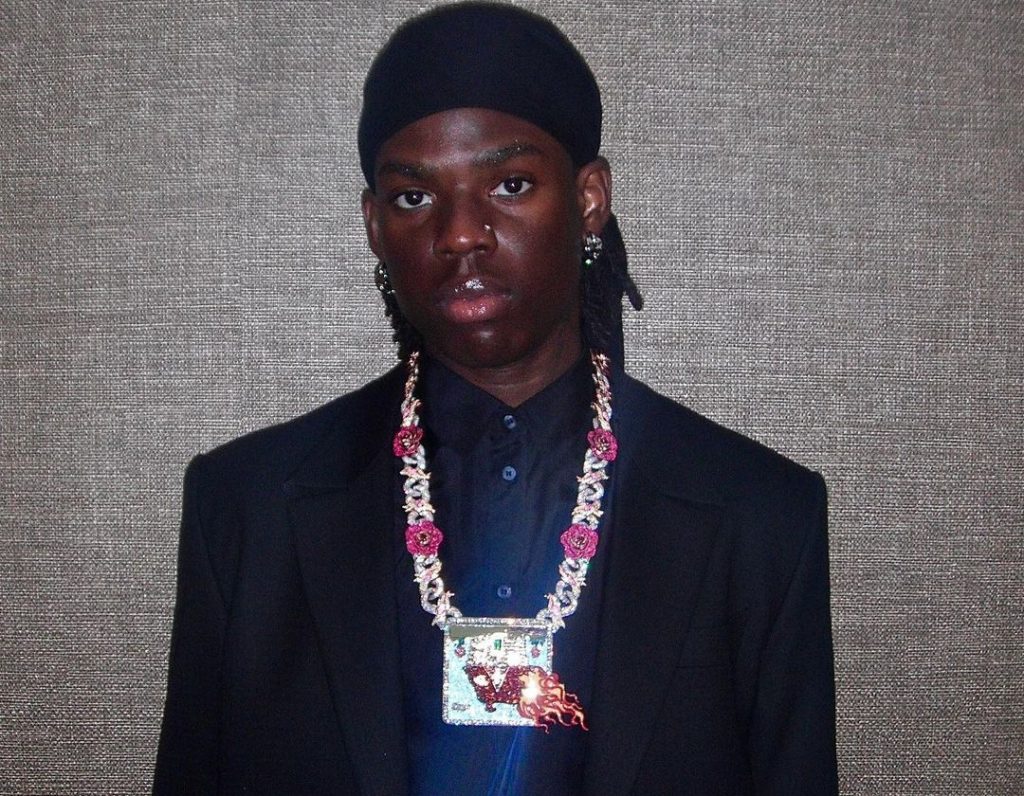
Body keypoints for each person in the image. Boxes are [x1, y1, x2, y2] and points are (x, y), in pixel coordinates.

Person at [154, 3, 837, 794]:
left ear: (588, 199)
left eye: (510, 184)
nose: (459, 233)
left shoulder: (759, 516)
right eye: (414, 197)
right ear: (374, 225)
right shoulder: (246, 510)